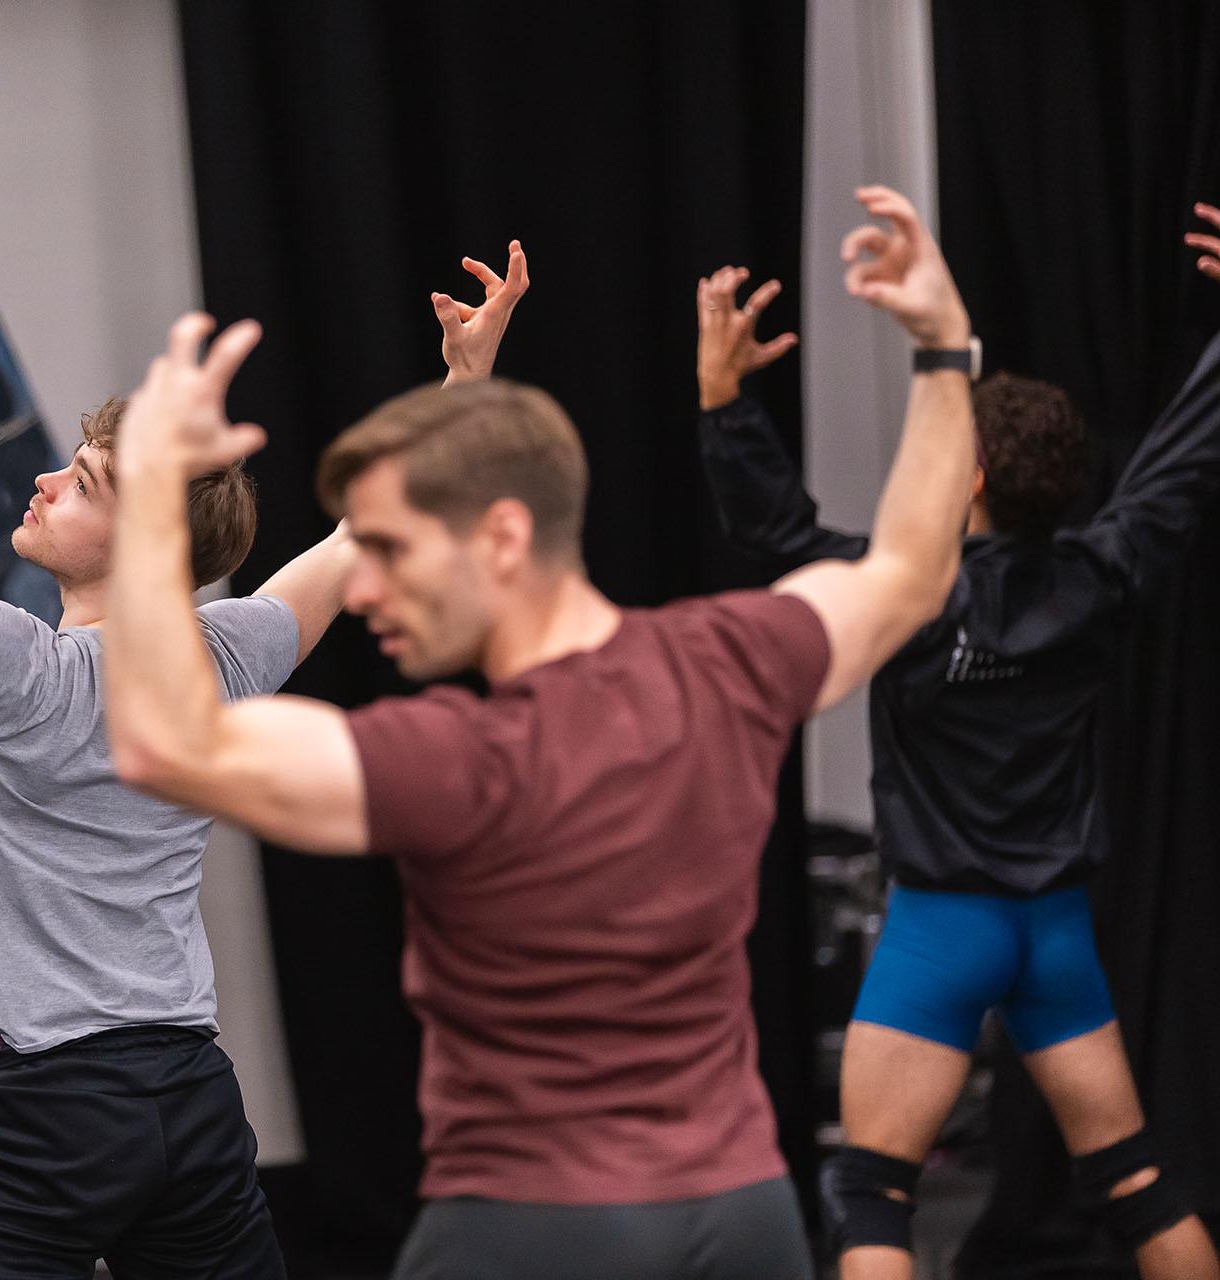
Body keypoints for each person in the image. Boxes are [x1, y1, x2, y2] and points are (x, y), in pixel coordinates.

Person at [99, 186, 972, 1280]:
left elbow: (160, 742)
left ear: (502, 536)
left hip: (534, 1230)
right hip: (745, 1215)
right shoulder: (731, 659)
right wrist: (945, 351)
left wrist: (147, 499)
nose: (361, 584)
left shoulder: (458, 757)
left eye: (388, 547)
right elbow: (909, 571)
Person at [0, 220, 528, 1278]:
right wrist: (465, 386)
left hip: (44, 1107)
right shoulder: (227, 655)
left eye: (86, 483)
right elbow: (364, 532)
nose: (47, 481)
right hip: (186, 1096)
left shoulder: (21, 671)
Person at [691, 205, 1220, 1280]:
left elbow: (776, 527)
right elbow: (1181, 464)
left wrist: (721, 394)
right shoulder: (1099, 576)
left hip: (941, 928)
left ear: (964, 477)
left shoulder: (908, 597)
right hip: (1058, 933)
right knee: (1138, 1181)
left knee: (875, 1193)